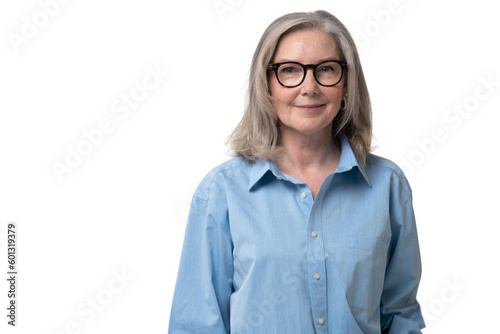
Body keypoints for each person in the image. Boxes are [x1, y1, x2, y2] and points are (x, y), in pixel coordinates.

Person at [168, 10, 425, 334]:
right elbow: (196, 325)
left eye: (326, 69)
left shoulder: (387, 185)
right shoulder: (223, 191)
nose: (310, 87)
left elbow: (399, 314)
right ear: (267, 85)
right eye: (290, 71)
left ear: (346, 85)